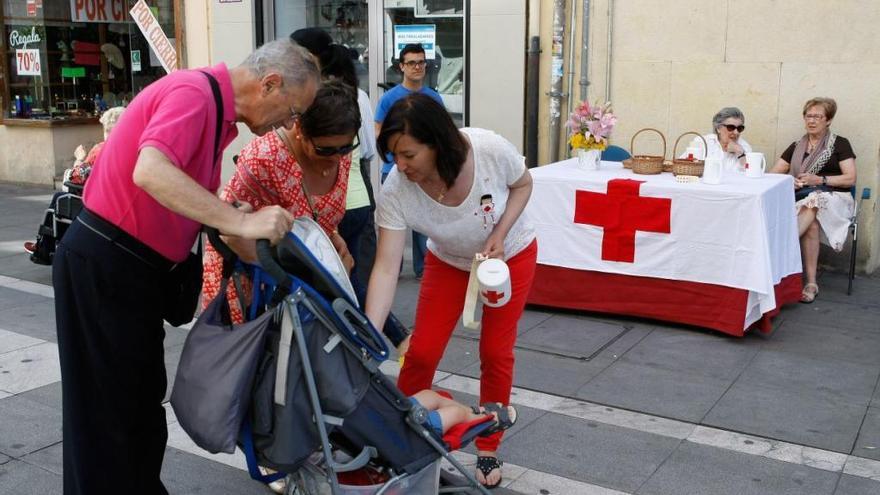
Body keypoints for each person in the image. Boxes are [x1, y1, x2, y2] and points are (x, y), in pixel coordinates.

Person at [52, 38, 319, 495]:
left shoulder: (215, 111)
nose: (289, 124)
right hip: (107, 265)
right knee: (107, 417)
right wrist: (240, 219)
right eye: (293, 111)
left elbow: (172, 188)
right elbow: (150, 171)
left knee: (136, 408)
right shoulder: (195, 94)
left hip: (130, 273)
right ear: (270, 84)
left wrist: (226, 213)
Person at [365, 93, 537, 489]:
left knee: (495, 351)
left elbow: (524, 184)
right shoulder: (397, 189)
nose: (400, 165)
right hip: (448, 262)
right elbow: (387, 266)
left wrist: (500, 232)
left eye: (408, 154)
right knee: (421, 351)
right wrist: (371, 334)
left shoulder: (488, 149)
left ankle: (488, 444)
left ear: (436, 142)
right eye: (393, 155)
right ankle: (403, 436)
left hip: (507, 258)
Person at [202, 80, 360, 323]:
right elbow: (226, 232)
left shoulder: (340, 154)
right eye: (325, 150)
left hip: (305, 282)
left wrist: (331, 239)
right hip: (255, 285)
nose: (337, 157)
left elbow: (315, 213)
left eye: (346, 147)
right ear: (300, 130)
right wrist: (311, 271)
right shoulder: (264, 159)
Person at [290, 27, 410, 347]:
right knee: (353, 277)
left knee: (346, 277)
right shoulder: (358, 98)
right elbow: (369, 150)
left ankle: (366, 337)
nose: (335, 158)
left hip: (333, 207)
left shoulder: (307, 102)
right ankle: (377, 336)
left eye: (343, 149)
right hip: (353, 202)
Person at [770, 97, 856, 303]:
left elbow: (850, 178)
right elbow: (773, 175)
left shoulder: (840, 144)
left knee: (815, 199)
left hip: (836, 198)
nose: (812, 120)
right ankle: (811, 282)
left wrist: (820, 179)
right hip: (803, 199)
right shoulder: (796, 146)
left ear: (828, 120)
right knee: (812, 225)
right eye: (809, 116)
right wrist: (789, 181)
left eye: (818, 116)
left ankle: (781, 248)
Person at [375, 43, 444, 280]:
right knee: (392, 220)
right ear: (402, 67)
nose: (418, 67)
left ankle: (423, 268)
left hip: (425, 172)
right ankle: (389, 268)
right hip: (393, 170)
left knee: (423, 219)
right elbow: (379, 132)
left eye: (421, 62)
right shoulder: (389, 98)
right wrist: (397, 158)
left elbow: (440, 134)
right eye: (412, 62)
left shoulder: (433, 98)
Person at [25, 106, 125, 264]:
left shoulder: (100, 150)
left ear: (106, 128)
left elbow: (75, 177)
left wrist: (79, 158)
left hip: (99, 205)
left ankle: (44, 249)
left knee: (60, 199)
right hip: (122, 203)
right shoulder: (134, 149)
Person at [410, 390, 517, 437]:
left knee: (429, 395)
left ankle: (473, 411)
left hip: (399, 415)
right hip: (406, 432)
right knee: (455, 413)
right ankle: (485, 420)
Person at [681, 107, 752, 172]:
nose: (736, 132)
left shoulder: (744, 147)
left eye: (740, 128)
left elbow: (752, 174)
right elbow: (682, 165)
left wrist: (740, 153)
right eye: (731, 127)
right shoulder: (702, 142)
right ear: (718, 128)